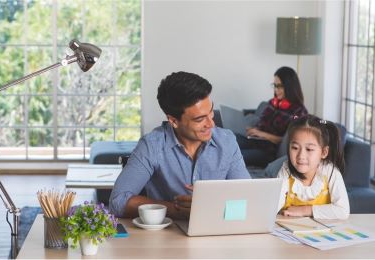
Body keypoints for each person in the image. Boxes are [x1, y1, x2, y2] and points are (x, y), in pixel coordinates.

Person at [109, 71, 251, 219]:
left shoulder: (227, 141)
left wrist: (208, 204)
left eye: (211, 113)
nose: (211, 124)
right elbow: (117, 202)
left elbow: (247, 196)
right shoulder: (152, 145)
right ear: (174, 121)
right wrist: (178, 210)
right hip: (168, 234)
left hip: (219, 231)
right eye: (200, 119)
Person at [277, 115, 349, 219]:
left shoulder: (330, 172)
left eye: (309, 149)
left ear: (324, 152)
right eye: (295, 147)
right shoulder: (285, 171)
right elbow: (273, 207)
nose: (301, 156)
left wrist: (306, 210)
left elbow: (343, 211)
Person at [237, 66, 308, 167]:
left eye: (280, 86)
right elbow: (262, 123)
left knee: (236, 157)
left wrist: (260, 134)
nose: (276, 90)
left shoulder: (299, 112)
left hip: (267, 152)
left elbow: (286, 140)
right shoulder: (272, 103)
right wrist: (253, 130)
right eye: (274, 85)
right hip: (254, 140)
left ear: (289, 87)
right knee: (229, 140)